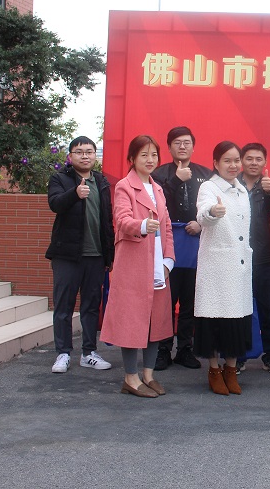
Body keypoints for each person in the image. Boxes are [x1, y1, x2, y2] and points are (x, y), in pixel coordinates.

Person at [101, 135, 175, 398]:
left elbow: (167, 228)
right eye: (144, 155)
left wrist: (169, 261)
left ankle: (148, 375)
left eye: (154, 155)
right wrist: (142, 225)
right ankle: (130, 378)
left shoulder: (158, 189)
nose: (150, 160)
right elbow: (121, 220)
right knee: (132, 321)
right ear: (132, 158)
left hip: (157, 264)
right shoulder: (124, 186)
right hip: (134, 264)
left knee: (155, 322)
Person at [45, 136, 114, 374]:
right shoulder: (60, 179)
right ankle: (63, 353)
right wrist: (75, 193)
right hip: (67, 255)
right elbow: (55, 204)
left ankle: (89, 353)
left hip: (96, 255)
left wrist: (109, 255)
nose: (85, 156)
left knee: (91, 307)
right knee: (63, 306)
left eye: (89, 152)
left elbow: (107, 220)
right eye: (79, 152)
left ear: (95, 155)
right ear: (70, 156)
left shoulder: (102, 182)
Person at [192, 141, 253, 395]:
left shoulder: (242, 190)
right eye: (227, 160)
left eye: (236, 160)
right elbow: (202, 214)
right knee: (214, 319)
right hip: (217, 267)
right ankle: (214, 370)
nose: (233, 165)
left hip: (239, 265)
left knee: (236, 321)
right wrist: (213, 212)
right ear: (216, 163)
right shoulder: (209, 187)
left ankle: (231, 369)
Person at [151, 127, 212, 371]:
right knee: (166, 300)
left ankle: (185, 349)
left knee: (190, 300)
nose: (182, 146)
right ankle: (163, 349)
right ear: (169, 147)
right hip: (166, 244)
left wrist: (201, 223)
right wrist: (176, 179)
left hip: (196, 244)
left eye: (187, 142)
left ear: (193, 147)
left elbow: (214, 207)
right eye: (177, 142)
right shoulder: (158, 174)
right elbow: (155, 204)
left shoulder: (206, 174)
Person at [238, 142, 270, 375]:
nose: (254, 163)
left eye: (258, 159)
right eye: (249, 158)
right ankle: (238, 356)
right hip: (237, 258)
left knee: (269, 308)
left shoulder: (268, 187)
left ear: (264, 162)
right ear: (241, 161)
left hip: (265, 257)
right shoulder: (231, 185)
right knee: (238, 309)